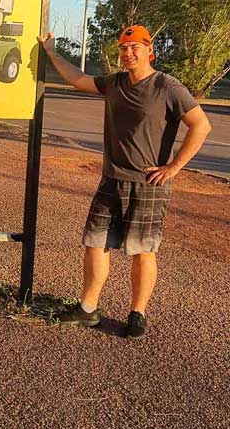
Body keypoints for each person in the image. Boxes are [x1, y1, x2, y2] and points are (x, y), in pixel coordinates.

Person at [39, 25, 212, 338]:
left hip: (147, 184)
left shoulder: (167, 87)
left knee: (142, 251)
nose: (128, 53)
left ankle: (137, 313)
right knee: (95, 243)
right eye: (123, 48)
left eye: (135, 47)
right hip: (111, 180)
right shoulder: (114, 83)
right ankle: (88, 309)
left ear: (150, 51)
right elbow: (77, 79)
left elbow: (201, 126)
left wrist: (174, 167)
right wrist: (51, 51)